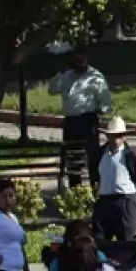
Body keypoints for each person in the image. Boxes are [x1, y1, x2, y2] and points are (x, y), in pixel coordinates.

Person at [49, 51, 111, 185]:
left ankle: (95, 187)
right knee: (72, 157)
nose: (78, 63)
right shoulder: (66, 75)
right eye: (75, 60)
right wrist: (62, 71)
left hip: (87, 120)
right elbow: (52, 90)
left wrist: (101, 111)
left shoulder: (95, 76)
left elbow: (105, 99)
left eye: (81, 59)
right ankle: (75, 189)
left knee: (92, 156)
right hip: (71, 121)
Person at [92, 117, 136, 242]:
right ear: (107, 136)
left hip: (126, 199)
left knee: (130, 239)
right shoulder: (100, 154)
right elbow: (95, 175)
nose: (116, 139)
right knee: (100, 240)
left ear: (125, 137)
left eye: (120, 136)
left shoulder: (131, 156)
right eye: (113, 136)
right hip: (105, 199)